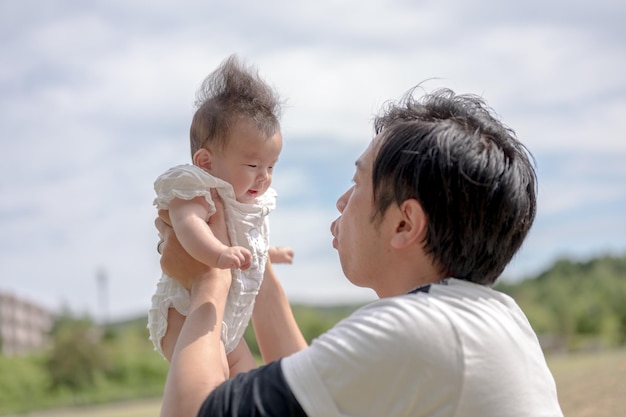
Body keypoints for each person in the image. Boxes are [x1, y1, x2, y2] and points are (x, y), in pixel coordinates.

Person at [155, 86, 564, 416]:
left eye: (358, 182)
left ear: (404, 223)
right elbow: (316, 388)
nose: (341, 201)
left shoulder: (413, 332)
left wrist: (209, 281)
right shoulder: (493, 319)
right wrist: (245, 250)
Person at [147, 55, 294, 376]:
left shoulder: (247, 205)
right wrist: (219, 254)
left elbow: (247, 244)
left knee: (243, 376)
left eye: (271, 166)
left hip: (225, 316)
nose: (264, 177)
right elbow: (189, 225)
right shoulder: (200, 188)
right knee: (210, 378)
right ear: (205, 162)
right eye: (253, 166)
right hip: (185, 311)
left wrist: (269, 254)